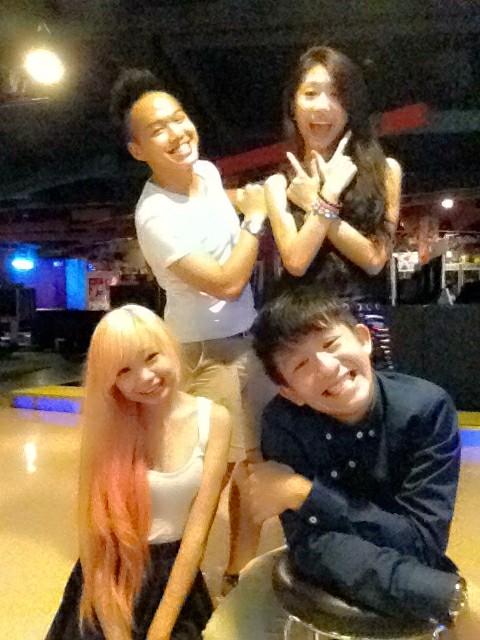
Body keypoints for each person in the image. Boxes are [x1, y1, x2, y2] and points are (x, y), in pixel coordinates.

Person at [203, 287, 467, 639]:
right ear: (290, 391)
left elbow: (422, 544)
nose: (327, 368)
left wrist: (305, 494)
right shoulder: (284, 423)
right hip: (393, 582)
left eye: (330, 344)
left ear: (363, 339)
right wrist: (440, 593)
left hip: (405, 574)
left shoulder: (426, 410)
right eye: (301, 364)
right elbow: (312, 547)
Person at [110, 70, 276, 588]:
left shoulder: (205, 171)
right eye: (157, 129)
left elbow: (219, 205)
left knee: (250, 465)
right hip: (204, 350)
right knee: (213, 473)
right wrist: (255, 218)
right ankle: (171, 575)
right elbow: (226, 282)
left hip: (246, 339)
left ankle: (236, 573)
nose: (177, 132)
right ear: (138, 150)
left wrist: (248, 197)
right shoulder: (155, 216)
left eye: (179, 118)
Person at [46, 305, 230, 640]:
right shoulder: (108, 425)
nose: (144, 377)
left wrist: (160, 630)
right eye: (123, 370)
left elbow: (196, 536)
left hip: (175, 580)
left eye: (151, 357)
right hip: (110, 577)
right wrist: (115, 628)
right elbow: (93, 535)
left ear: (170, 347)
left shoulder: (214, 420)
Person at [265, 46, 402, 368]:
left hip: (362, 324)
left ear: (351, 106)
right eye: (311, 93)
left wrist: (316, 202)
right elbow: (296, 262)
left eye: (337, 95)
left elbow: (374, 260)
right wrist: (327, 196)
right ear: (293, 105)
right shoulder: (278, 184)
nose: (323, 106)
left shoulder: (385, 171)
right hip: (302, 326)